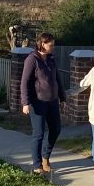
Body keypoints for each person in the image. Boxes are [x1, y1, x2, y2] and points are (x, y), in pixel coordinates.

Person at [20, 32, 65, 174]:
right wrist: (25, 102)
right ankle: (37, 165)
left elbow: (57, 78)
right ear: (42, 44)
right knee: (38, 133)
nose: (52, 47)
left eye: (53, 44)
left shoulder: (51, 59)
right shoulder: (32, 60)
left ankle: (46, 156)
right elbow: (24, 82)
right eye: (50, 44)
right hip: (37, 102)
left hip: (52, 101)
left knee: (56, 129)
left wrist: (62, 96)